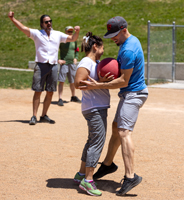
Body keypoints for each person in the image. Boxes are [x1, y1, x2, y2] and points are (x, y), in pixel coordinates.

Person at [79, 16, 148, 196]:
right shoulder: (129, 42)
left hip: (133, 94)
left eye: (115, 35)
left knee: (124, 132)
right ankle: (108, 164)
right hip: (128, 93)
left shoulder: (129, 50)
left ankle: (130, 176)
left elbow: (124, 81)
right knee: (117, 128)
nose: (112, 39)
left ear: (124, 29)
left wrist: (97, 85)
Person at [8, 11, 80, 125]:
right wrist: (13, 19)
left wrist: (77, 31)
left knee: (50, 92)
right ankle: (34, 116)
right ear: (42, 24)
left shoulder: (57, 34)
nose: (49, 23)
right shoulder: (37, 33)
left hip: (53, 66)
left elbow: (72, 39)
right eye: (46, 22)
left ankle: (44, 115)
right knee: (38, 91)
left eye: (50, 21)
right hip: (40, 66)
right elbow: (23, 28)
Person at [73, 32, 113, 196]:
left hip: (96, 107)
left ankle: (81, 174)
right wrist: (101, 83)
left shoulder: (93, 62)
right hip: (94, 108)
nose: (103, 50)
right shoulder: (86, 62)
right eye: (102, 46)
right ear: (95, 46)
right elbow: (78, 84)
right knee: (97, 142)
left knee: (92, 141)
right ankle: (88, 180)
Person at [57, 26, 81, 106]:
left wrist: (76, 58)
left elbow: (76, 50)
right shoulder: (62, 41)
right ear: (65, 32)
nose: (70, 33)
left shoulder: (74, 40)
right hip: (64, 63)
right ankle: (60, 98)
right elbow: (54, 49)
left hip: (72, 63)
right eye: (69, 31)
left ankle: (73, 96)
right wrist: (58, 60)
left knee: (72, 81)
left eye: (71, 31)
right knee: (62, 81)